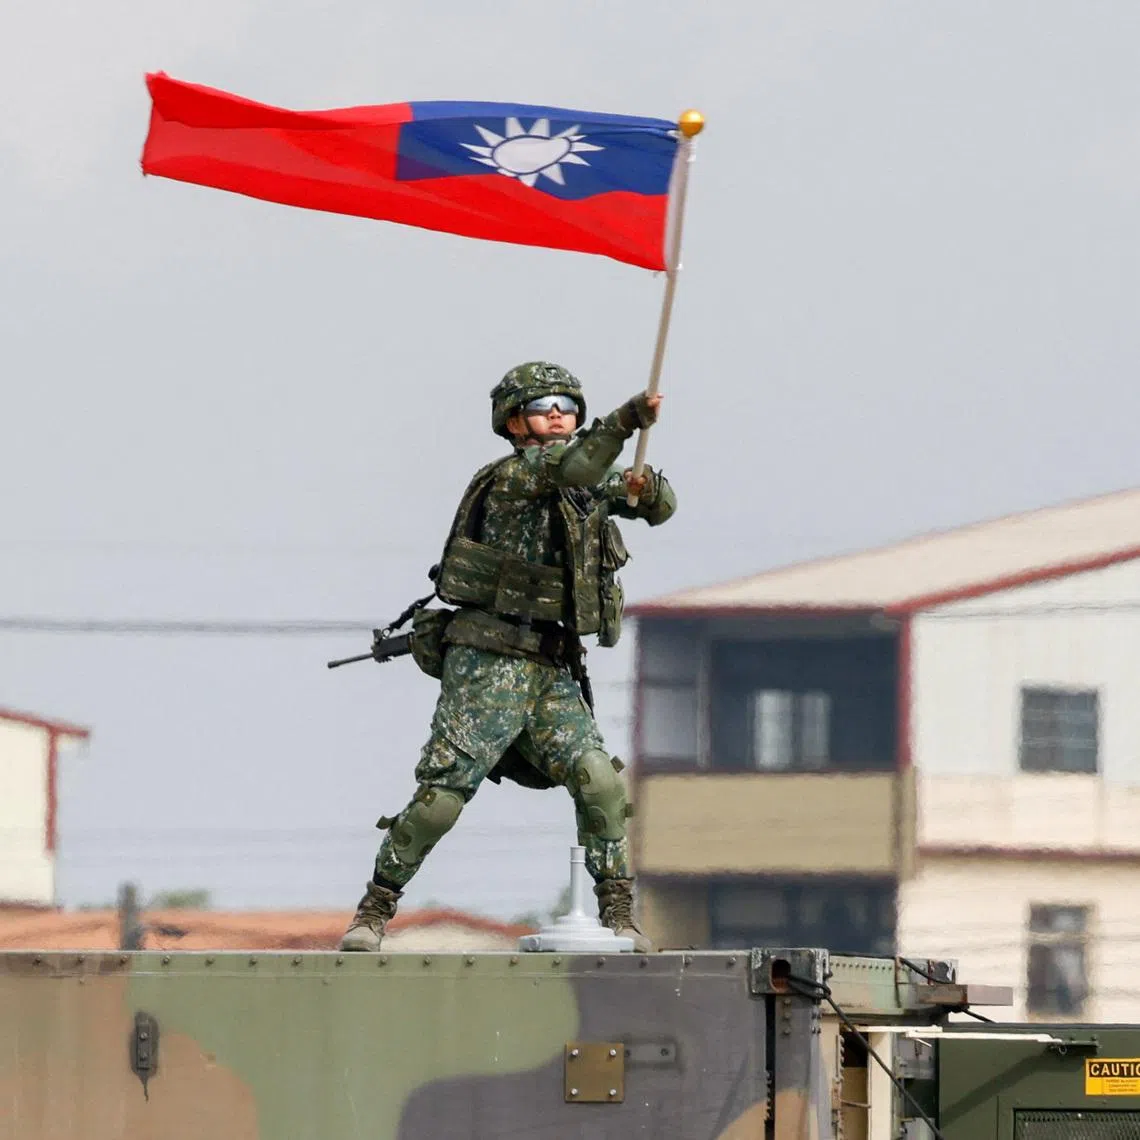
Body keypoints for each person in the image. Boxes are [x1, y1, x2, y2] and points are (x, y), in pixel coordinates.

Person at [340, 361, 676, 952]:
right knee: (443, 795)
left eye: (568, 406)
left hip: (551, 669)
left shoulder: (582, 479)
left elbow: (657, 505)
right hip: (488, 663)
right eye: (544, 405)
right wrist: (625, 420)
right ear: (514, 421)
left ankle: (620, 912)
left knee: (598, 780)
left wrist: (645, 489)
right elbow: (579, 465)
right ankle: (375, 909)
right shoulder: (520, 475)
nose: (558, 415)